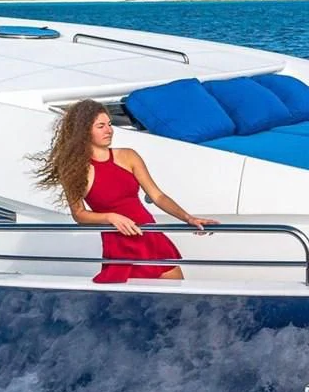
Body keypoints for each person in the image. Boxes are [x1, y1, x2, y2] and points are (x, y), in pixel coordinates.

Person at [33, 99, 215, 283]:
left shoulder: (128, 156)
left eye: (110, 124)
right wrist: (109, 217)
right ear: (84, 131)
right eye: (101, 126)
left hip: (150, 237)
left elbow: (157, 196)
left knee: (178, 301)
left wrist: (188, 218)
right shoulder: (74, 169)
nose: (109, 130)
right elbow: (79, 214)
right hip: (119, 246)